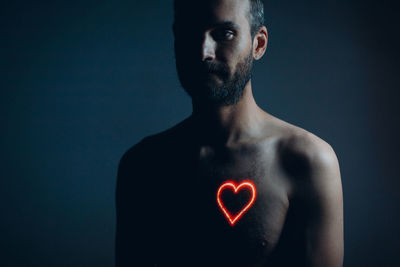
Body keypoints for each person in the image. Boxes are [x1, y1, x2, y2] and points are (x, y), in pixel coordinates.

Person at [115, 0, 344, 266]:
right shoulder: (142, 165)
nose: (204, 52)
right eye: (190, 32)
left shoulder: (306, 160)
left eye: (224, 34)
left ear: (258, 44)